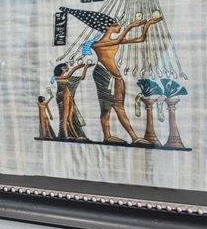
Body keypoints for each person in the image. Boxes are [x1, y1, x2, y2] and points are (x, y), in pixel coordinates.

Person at [60, 7, 163, 144]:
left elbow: (140, 39)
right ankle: (113, 136)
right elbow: (118, 39)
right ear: (108, 27)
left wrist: (148, 24)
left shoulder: (114, 41)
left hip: (116, 77)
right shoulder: (99, 44)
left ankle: (132, 137)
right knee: (107, 108)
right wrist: (130, 26)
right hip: (103, 74)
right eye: (116, 25)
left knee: (119, 107)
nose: (119, 26)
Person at [52, 61, 92, 140]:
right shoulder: (57, 77)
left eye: (66, 68)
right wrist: (76, 67)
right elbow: (67, 76)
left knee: (70, 118)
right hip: (62, 97)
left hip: (68, 96)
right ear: (59, 69)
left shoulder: (67, 77)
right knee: (65, 117)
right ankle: (66, 136)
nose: (66, 69)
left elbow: (82, 77)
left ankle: (76, 136)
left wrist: (85, 68)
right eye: (64, 68)